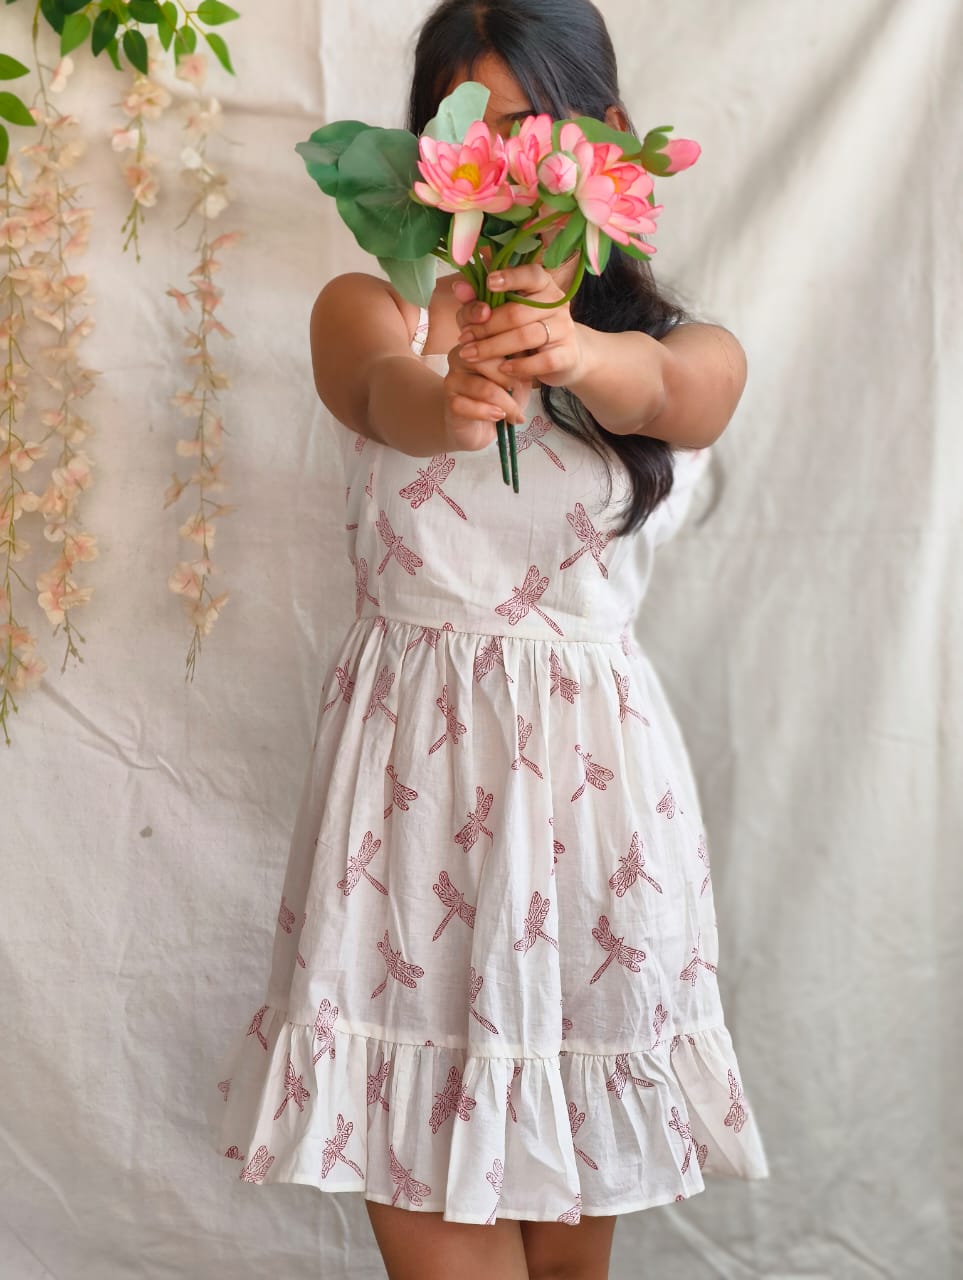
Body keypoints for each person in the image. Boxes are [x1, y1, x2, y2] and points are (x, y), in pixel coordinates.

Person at [209, 2, 770, 1277]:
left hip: (597, 824)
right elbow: (376, 393)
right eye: (470, 126)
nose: (504, 161)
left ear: (609, 139)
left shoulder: (676, 347)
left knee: (573, 1264)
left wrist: (576, 348)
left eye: (531, 128)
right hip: (406, 815)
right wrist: (452, 397)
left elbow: (682, 395)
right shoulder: (377, 309)